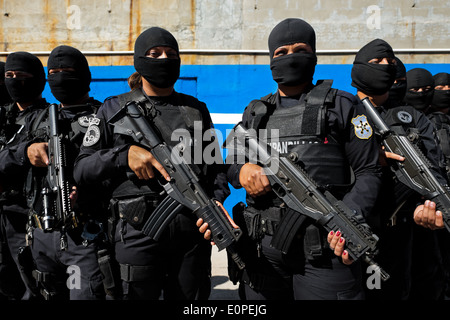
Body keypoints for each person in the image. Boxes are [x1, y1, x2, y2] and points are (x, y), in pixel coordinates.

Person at [225, 18, 382, 300]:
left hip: (325, 250)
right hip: (265, 250)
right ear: (271, 60)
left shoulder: (343, 105)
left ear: (314, 55)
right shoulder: (256, 111)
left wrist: (348, 222)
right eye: (281, 52)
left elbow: (369, 171)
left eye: (300, 49)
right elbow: (232, 162)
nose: (291, 57)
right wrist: (242, 171)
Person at [73, 26, 230, 300]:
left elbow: (215, 169)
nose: (163, 59)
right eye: (154, 54)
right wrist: (124, 156)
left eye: (171, 54)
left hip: (191, 233)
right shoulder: (113, 108)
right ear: (139, 61)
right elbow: (82, 169)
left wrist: (215, 203)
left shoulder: (195, 109)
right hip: (135, 230)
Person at [1, 45, 106, 300]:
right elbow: (4, 159)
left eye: (67, 71)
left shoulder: (103, 116)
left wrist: (88, 191)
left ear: (83, 75)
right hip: (41, 235)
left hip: (85, 236)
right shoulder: (38, 118)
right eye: (54, 71)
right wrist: (26, 152)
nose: (60, 77)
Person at [350, 39, 447, 300]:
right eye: (376, 62)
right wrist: (369, 156)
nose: (384, 66)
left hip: (401, 228)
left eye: (390, 62)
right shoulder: (342, 111)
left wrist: (428, 206)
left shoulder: (412, 119)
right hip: (351, 225)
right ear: (358, 69)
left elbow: (433, 171)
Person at [0, 52, 49, 300]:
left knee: (32, 284)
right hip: (3, 213)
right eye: (9, 75)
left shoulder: (50, 117)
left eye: (22, 76)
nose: (15, 80)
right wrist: (21, 153)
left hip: (27, 216)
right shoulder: (4, 115)